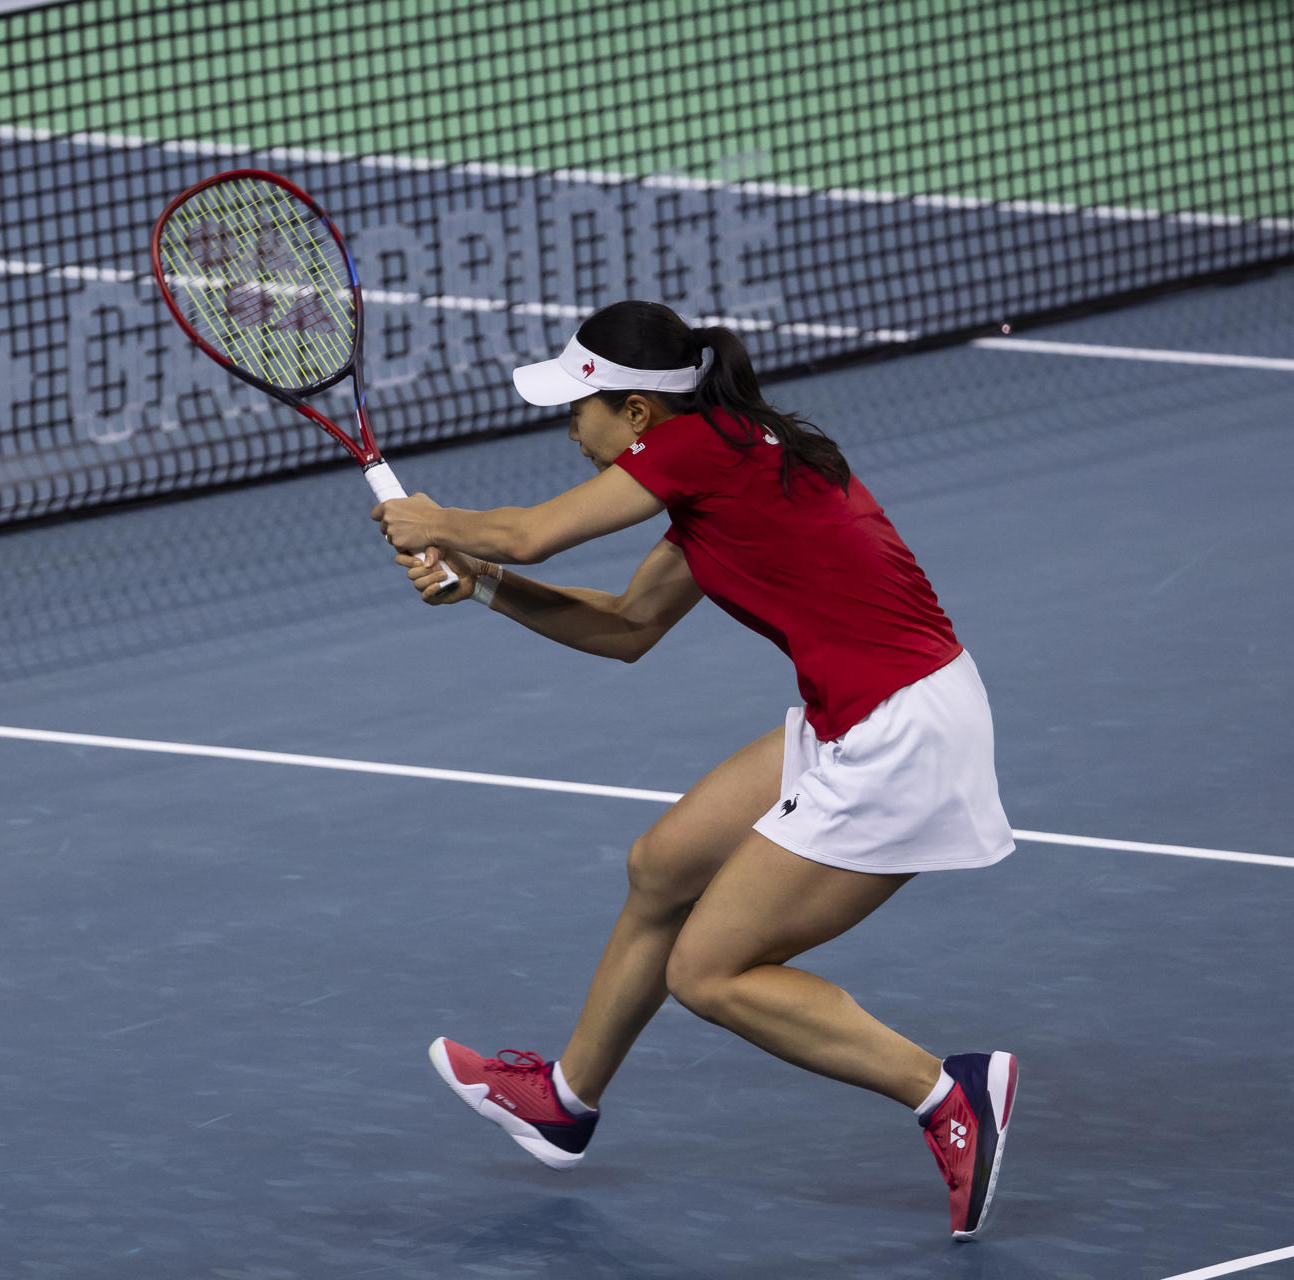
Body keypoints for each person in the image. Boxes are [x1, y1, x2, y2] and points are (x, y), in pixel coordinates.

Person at [370, 300, 1018, 1240]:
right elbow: (627, 628)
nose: (572, 432)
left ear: (636, 414)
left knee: (710, 973)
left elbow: (530, 532)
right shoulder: (727, 462)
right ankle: (564, 1101)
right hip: (872, 709)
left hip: (901, 732)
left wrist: (433, 520)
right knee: (664, 863)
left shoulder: (696, 447)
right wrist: (481, 585)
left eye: (580, 411)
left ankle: (944, 1092)